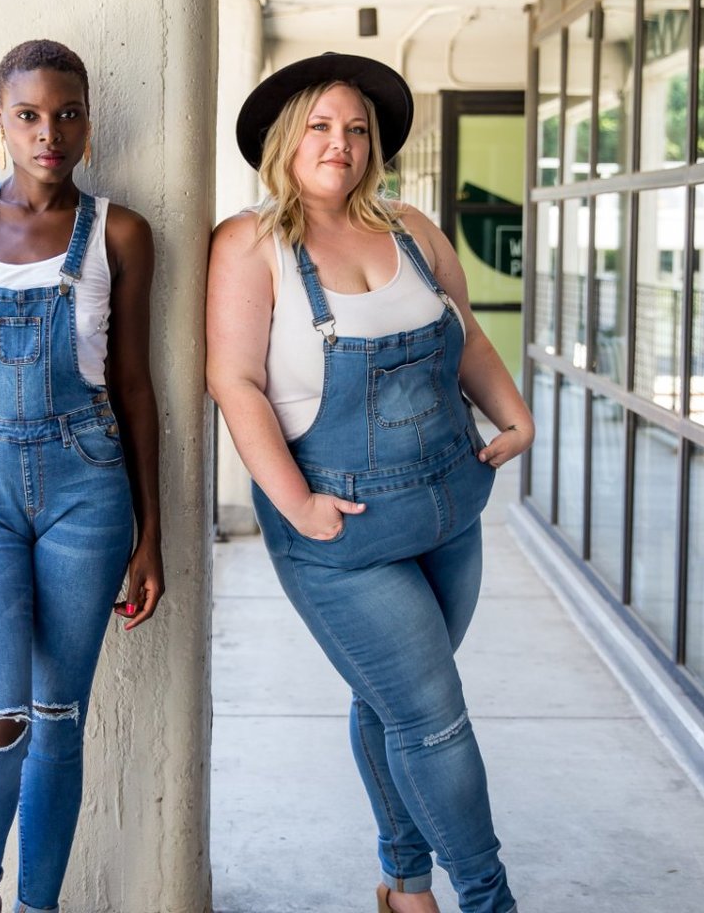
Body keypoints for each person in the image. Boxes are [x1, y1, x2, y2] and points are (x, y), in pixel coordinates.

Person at [206, 52, 533, 913]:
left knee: (392, 699)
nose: (339, 142)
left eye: (356, 129)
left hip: (450, 508)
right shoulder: (251, 244)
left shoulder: (413, 229)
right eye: (319, 125)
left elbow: (465, 338)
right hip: (342, 531)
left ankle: (404, 885)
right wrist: (297, 505)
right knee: (436, 717)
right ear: (285, 138)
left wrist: (516, 416)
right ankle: (486, 899)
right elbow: (234, 381)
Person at [0, 39, 164, 913]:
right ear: (0, 121)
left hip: (87, 483)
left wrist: (150, 535)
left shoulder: (121, 231)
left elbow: (133, 386)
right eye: (29, 115)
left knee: (59, 722)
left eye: (67, 113)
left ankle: (39, 906)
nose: (49, 132)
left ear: (87, 120)